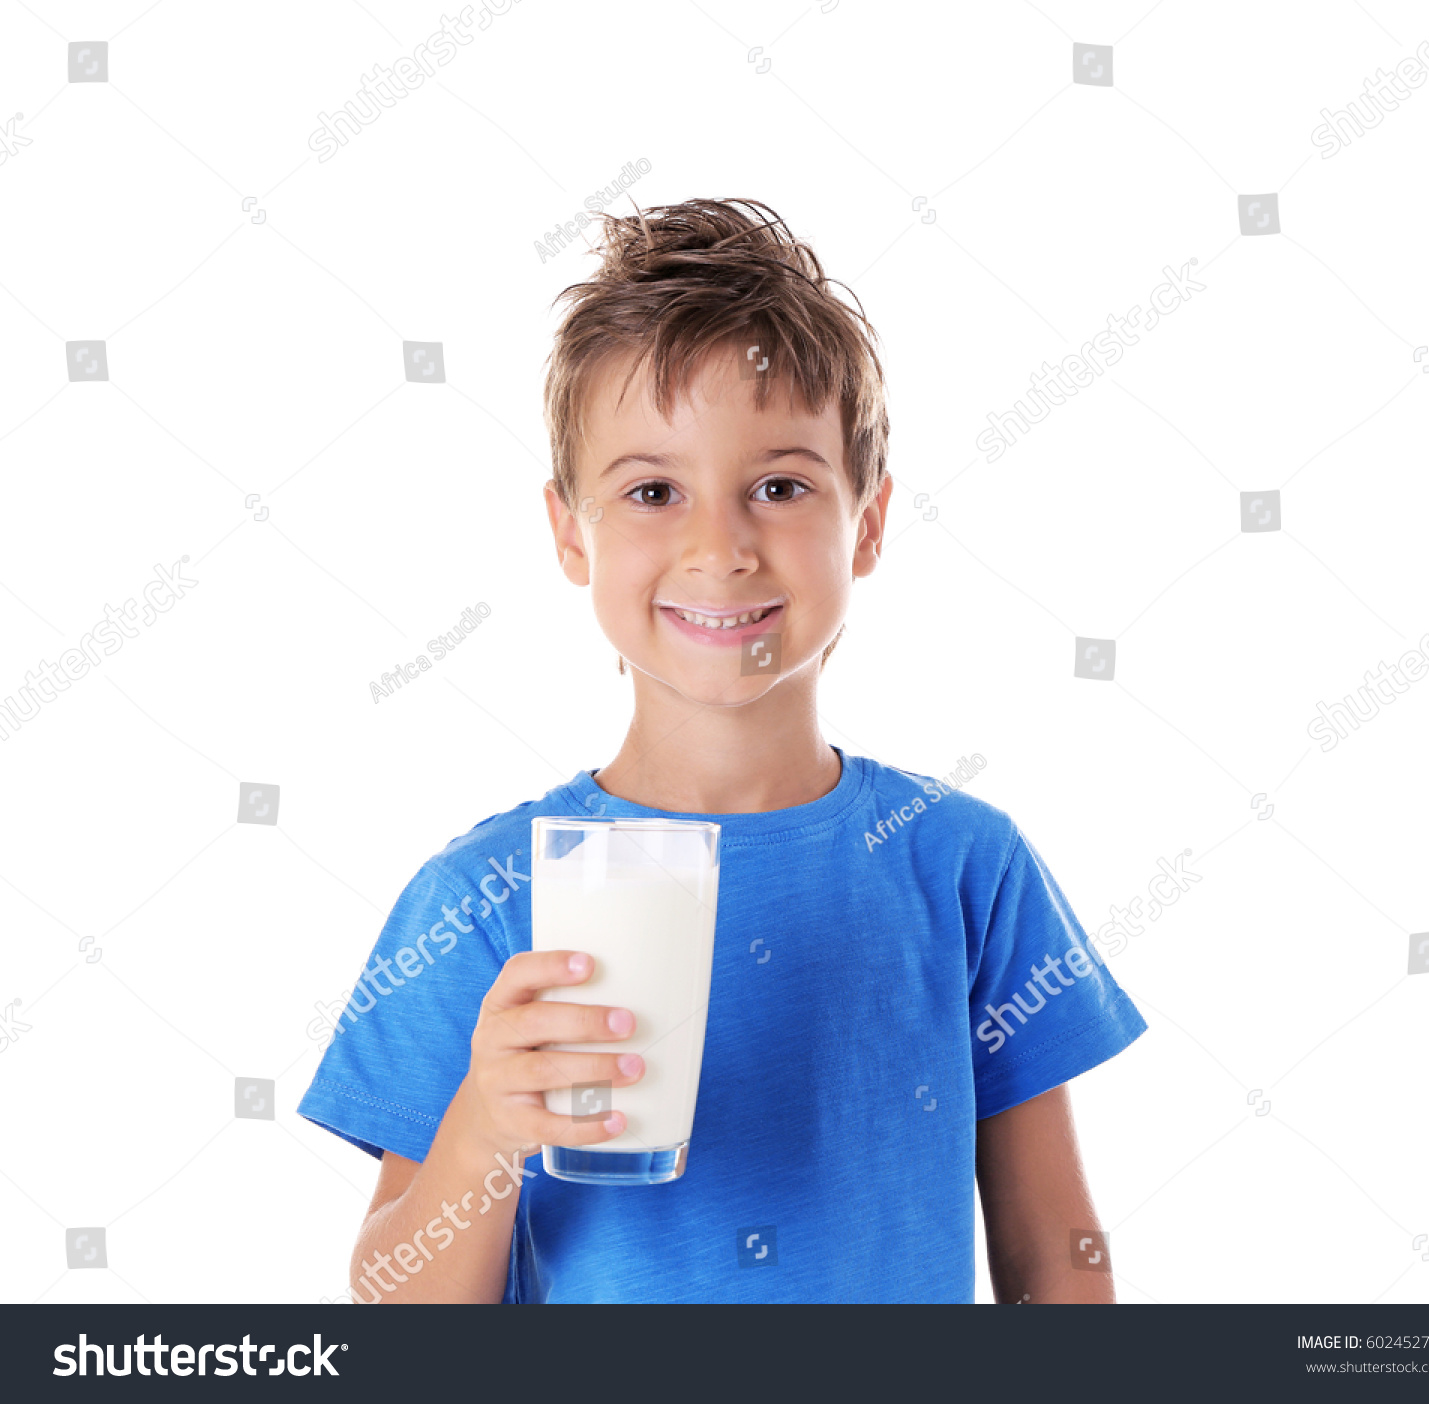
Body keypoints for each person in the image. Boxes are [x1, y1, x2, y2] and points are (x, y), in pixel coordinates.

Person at [298, 197, 1146, 1303]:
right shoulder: (485, 899)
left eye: (781, 487)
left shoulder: (966, 869)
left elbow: (1060, 1264)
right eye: (653, 491)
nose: (720, 547)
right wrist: (483, 1132)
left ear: (870, 522)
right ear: (569, 532)